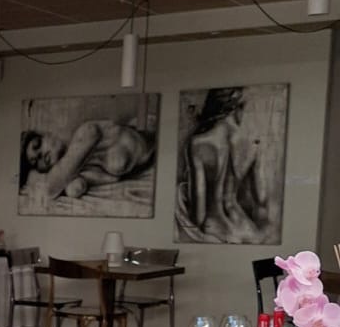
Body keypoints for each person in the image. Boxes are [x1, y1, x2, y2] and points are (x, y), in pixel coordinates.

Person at [175, 86, 275, 244]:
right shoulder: (253, 144)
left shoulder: (198, 143)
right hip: (245, 229)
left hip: (215, 229)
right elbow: (261, 198)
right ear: (239, 108)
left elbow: (198, 216)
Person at [19, 116, 156, 204]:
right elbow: (76, 188)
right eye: (35, 162)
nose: (40, 156)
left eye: (37, 145)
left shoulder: (85, 132)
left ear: (48, 135)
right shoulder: (78, 172)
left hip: (155, 141)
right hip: (147, 163)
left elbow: (50, 188)